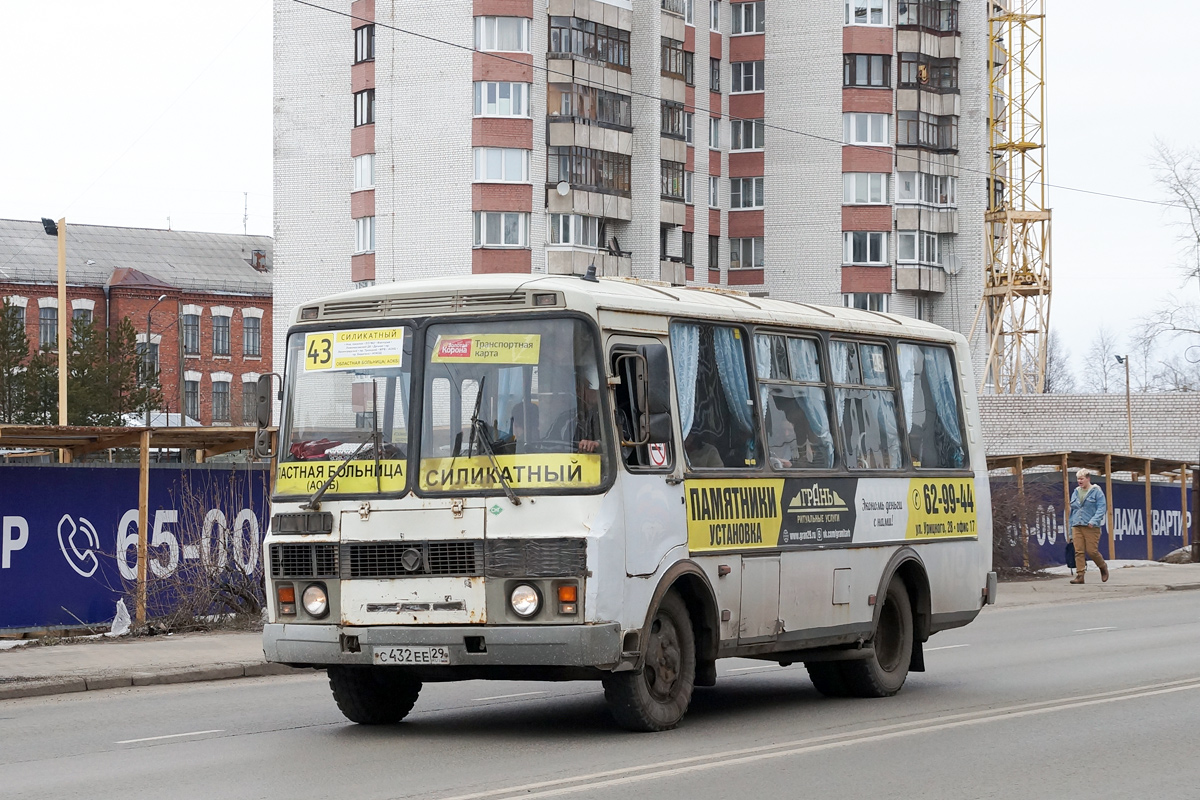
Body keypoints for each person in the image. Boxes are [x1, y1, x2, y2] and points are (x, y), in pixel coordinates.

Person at [1068, 468, 1109, 585]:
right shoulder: (1076, 492)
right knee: (1078, 551)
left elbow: (1101, 508)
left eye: (1081, 479)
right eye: (1078, 479)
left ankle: (1103, 567)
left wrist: (1094, 520)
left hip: (1091, 526)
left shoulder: (1096, 492)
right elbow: (1072, 511)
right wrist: (1070, 530)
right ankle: (1080, 575)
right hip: (1077, 525)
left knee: (1092, 551)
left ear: (1088, 479)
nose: (1079, 481)